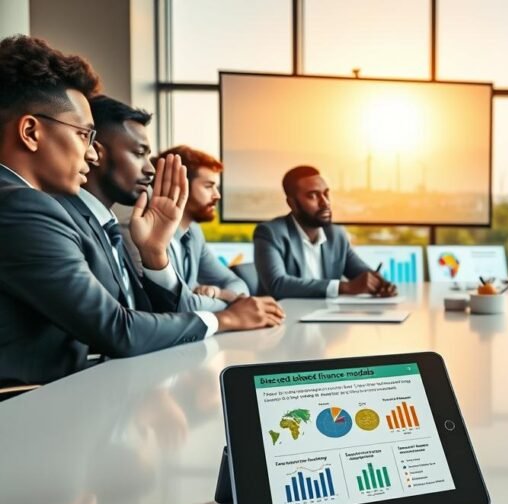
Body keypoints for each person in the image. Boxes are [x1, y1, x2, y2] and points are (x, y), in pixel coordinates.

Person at [0, 36, 283, 385]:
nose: (91, 153)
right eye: (84, 135)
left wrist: (154, 253)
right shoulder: (21, 206)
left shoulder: (45, 208)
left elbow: (141, 317)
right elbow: (117, 329)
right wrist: (226, 320)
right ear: (30, 131)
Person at [122, 144, 249, 311]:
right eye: (208, 186)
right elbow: (183, 306)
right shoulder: (144, 233)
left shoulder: (194, 233)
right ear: (181, 185)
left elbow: (238, 284)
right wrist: (233, 303)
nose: (217, 195)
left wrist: (219, 293)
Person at [254, 165, 397, 299]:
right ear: (292, 204)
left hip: (327, 318)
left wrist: (380, 284)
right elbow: (277, 284)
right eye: (313, 196)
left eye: (326, 194)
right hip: (285, 319)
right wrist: (343, 287)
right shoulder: (271, 233)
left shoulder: (336, 235)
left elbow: (362, 274)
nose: (325, 203)